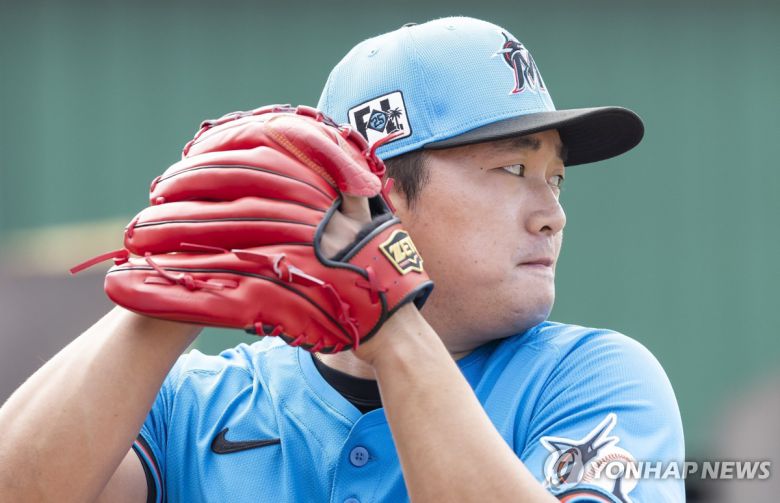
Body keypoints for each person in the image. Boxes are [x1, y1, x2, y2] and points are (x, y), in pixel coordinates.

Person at [0, 16, 684, 502]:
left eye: (555, 178)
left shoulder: (591, 380)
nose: (552, 213)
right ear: (375, 193)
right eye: (513, 169)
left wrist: (392, 324)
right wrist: (170, 295)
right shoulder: (192, 403)